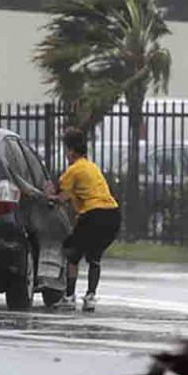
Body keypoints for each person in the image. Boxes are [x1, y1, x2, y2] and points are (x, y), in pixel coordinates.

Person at [47, 127, 120, 312]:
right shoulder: (91, 167)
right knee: (94, 257)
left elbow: (60, 196)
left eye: (65, 151)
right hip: (112, 214)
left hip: (93, 214)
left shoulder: (73, 170)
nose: (65, 155)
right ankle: (90, 297)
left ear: (71, 151)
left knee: (72, 253)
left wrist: (49, 194)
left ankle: (69, 297)